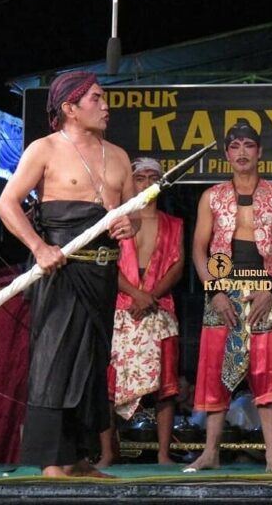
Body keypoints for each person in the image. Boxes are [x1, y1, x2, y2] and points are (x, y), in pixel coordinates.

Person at [0, 71, 138, 478]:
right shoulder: (44, 149)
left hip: (102, 274)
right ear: (70, 108)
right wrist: (39, 248)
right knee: (55, 360)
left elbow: (132, 216)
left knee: (92, 363)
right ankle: (51, 461)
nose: (106, 105)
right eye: (97, 98)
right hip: (60, 269)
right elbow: (7, 205)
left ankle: (78, 458)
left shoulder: (120, 156)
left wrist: (131, 226)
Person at [184, 122, 272, 473]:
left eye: (249, 145)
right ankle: (210, 453)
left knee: (266, 372)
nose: (242, 152)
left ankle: (270, 457)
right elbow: (198, 251)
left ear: (260, 151)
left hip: (267, 287)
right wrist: (214, 291)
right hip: (222, 290)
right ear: (227, 155)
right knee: (217, 370)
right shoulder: (212, 196)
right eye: (235, 146)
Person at [99, 157, 184, 466]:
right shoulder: (117, 220)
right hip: (123, 306)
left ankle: (163, 454)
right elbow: (107, 262)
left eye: (153, 177)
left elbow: (178, 266)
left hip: (159, 309)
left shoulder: (174, 223)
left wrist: (150, 296)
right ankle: (108, 452)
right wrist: (136, 294)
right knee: (109, 385)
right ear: (131, 182)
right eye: (140, 177)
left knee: (166, 386)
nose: (147, 183)